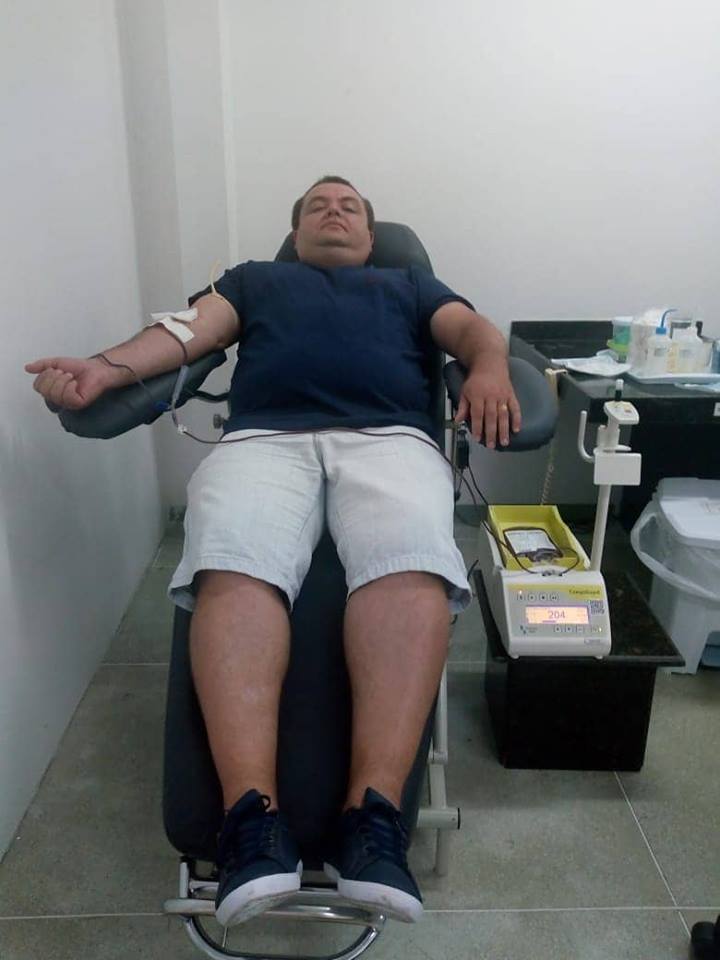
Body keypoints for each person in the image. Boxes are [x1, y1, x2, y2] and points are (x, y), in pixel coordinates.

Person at [26, 175, 521, 928]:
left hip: (389, 441)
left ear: (371, 234)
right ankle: (251, 823)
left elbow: (475, 331)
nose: (334, 211)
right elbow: (185, 333)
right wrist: (105, 365)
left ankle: (373, 819)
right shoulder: (254, 281)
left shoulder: (409, 285)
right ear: (294, 234)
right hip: (266, 441)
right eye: (318, 205)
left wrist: (488, 368)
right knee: (232, 562)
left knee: (411, 562)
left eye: (349, 206)